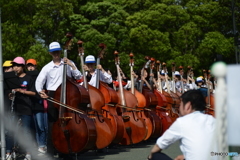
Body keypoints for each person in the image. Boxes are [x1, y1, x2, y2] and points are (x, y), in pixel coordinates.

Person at [35, 41, 82, 158]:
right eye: (53, 52)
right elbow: (39, 81)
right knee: (53, 124)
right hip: (52, 94)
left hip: (68, 95)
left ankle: (70, 148)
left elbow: (79, 77)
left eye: (57, 51)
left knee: (69, 122)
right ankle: (52, 150)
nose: (56, 54)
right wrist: (40, 91)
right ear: (51, 53)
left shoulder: (68, 64)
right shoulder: (47, 67)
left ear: (61, 52)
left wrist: (72, 66)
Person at [147, 90, 215, 160]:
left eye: (180, 104)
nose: (179, 107)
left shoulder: (182, 122)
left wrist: (150, 157)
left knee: (156, 156)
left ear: (188, 106)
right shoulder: (213, 120)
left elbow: (160, 145)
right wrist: (186, 156)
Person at [9, 57, 36, 160]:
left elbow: (34, 93)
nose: (15, 68)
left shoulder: (29, 78)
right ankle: (13, 151)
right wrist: (10, 95)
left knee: (26, 131)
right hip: (15, 108)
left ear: (22, 66)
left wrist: (21, 91)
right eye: (14, 66)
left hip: (26, 108)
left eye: (17, 66)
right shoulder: (12, 79)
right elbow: (8, 91)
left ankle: (28, 153)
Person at [26, 58, 48, 156]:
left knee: (40, 126)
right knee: (30, 127)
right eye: (28, 65)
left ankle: (42, 146)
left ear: (35, 66)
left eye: (32, 65)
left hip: (38, 103)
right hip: (28, 105)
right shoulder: (25, 76)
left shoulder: (40, 75)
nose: (30, 67)